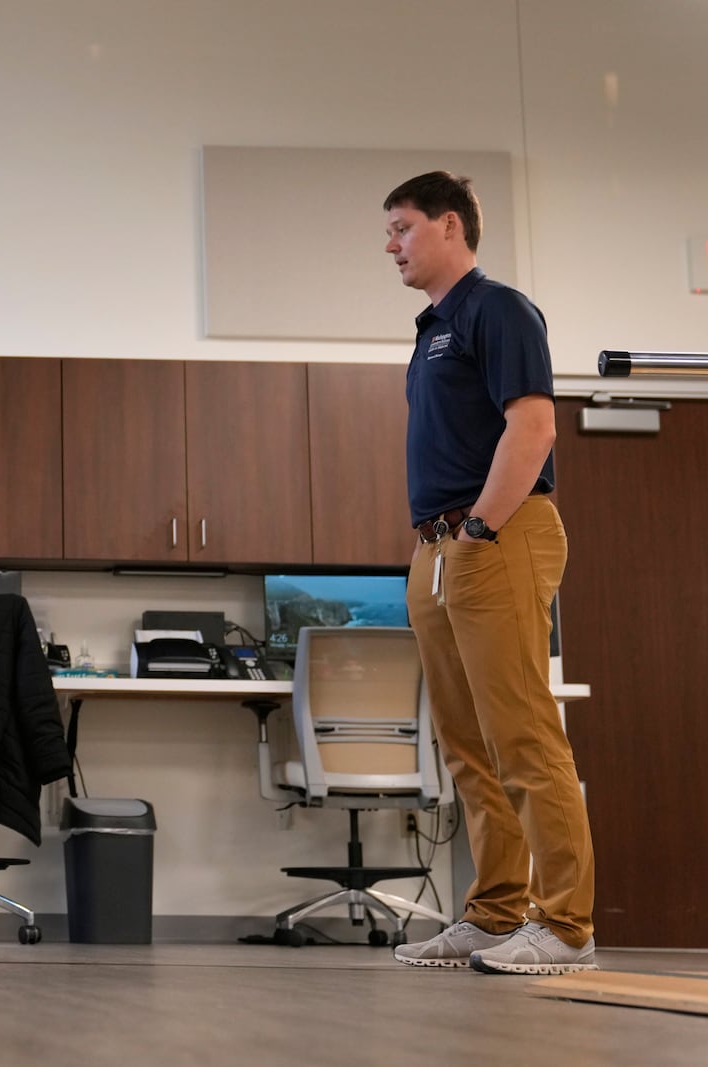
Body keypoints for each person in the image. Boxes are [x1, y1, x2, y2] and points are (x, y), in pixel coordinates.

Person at [381, 171, 596, 974]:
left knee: (524, 734)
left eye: (402, 228)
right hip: (436, 548)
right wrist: (445, 543)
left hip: (493, 536)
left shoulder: (496, 308)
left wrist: (477, 529)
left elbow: (533, 427)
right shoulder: (430, 328)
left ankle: (566, 924)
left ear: (449, 226)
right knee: (467, 745)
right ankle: (496, 912)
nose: (392, 246)